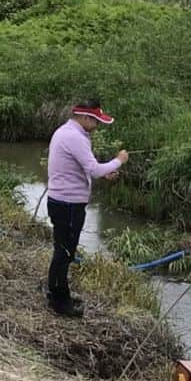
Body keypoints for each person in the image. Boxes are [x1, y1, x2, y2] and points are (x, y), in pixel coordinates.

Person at [45, 99, 128, 318]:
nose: (98, 125)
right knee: (64, 252)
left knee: (63, 251)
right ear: (83, 117)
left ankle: (58, 293)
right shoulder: (74, 137)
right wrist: (118, 161)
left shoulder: (69, 133)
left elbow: (86, 169)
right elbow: (94, 169)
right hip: (68, 204)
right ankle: (59, 302)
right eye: (96, 121)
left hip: (63, 201)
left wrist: (104, 171)